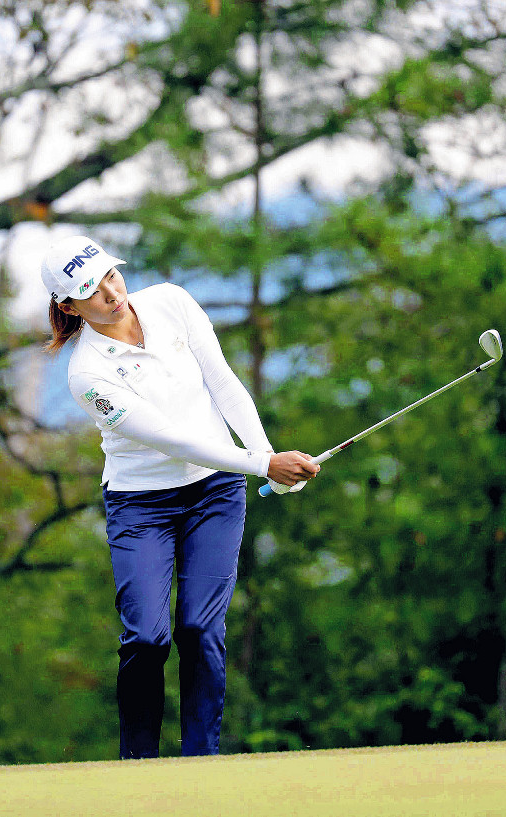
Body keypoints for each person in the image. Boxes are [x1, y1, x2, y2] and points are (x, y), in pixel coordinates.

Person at [42, 235, 320, 759]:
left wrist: (267, 454)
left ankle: (200, 761)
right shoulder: (86, 374)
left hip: (214, 493)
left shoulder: (171, 301)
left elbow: (223, 383)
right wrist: (263, 464)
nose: (109, 292)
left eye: (110, 275)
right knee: (147, 638)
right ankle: (139, 764)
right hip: (140, 505)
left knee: (199, 628)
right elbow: (172, 438)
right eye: (90, 289)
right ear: (68, 305)